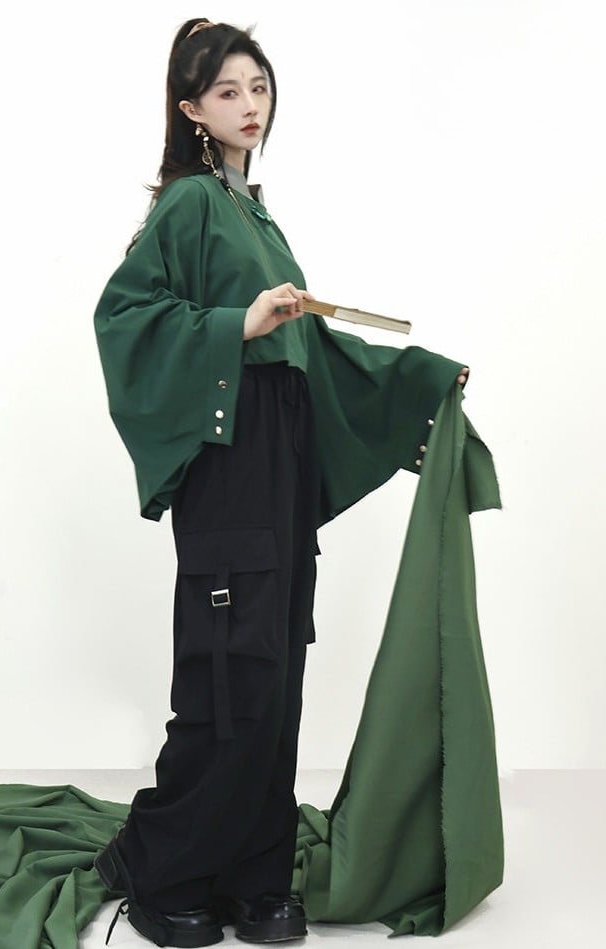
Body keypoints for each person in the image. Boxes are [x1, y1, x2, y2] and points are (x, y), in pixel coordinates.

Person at [93, 17, 469, 948]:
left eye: (258, 87)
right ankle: (165, 867)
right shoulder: (190, 204)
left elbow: (314, 351)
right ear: (191, 108)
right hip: (231, 458)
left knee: (277, 664)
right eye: (227, 91)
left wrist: (419, 379)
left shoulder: (255, 211)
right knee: (230, 667)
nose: (248, 105)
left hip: (282, 456)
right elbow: (124, 316)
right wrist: (235, 324)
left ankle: (255, 873)